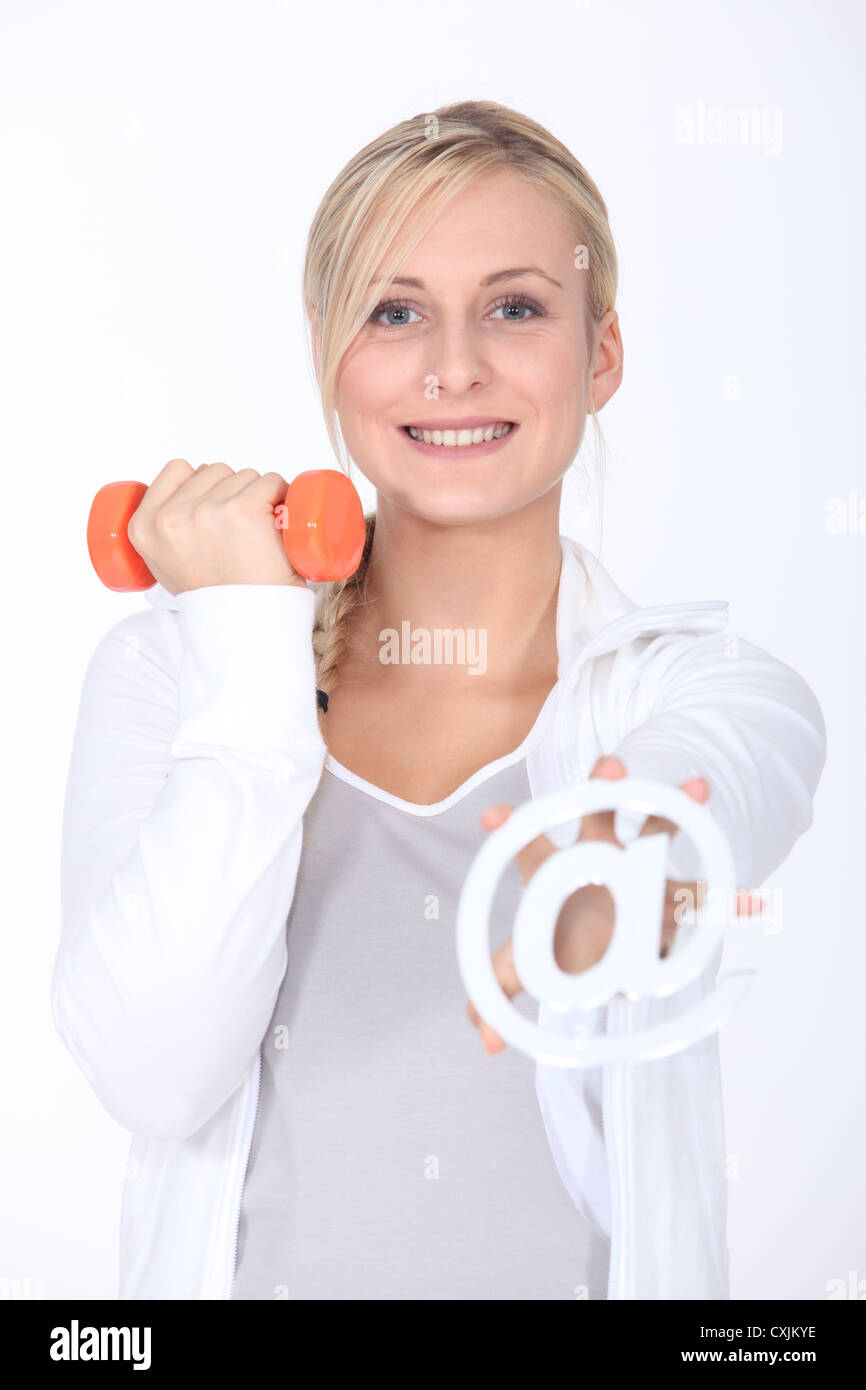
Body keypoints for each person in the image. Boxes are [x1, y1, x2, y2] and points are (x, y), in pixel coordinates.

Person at [51, 99, 827, 1300]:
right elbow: (154, 1074)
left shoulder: (699, 687)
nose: (451, 365)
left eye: (515, 307)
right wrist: (250, 650)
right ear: (330, 352)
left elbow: (710, 788)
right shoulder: (174, 675)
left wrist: (622, 861)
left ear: (600, 353)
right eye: (394, 311)